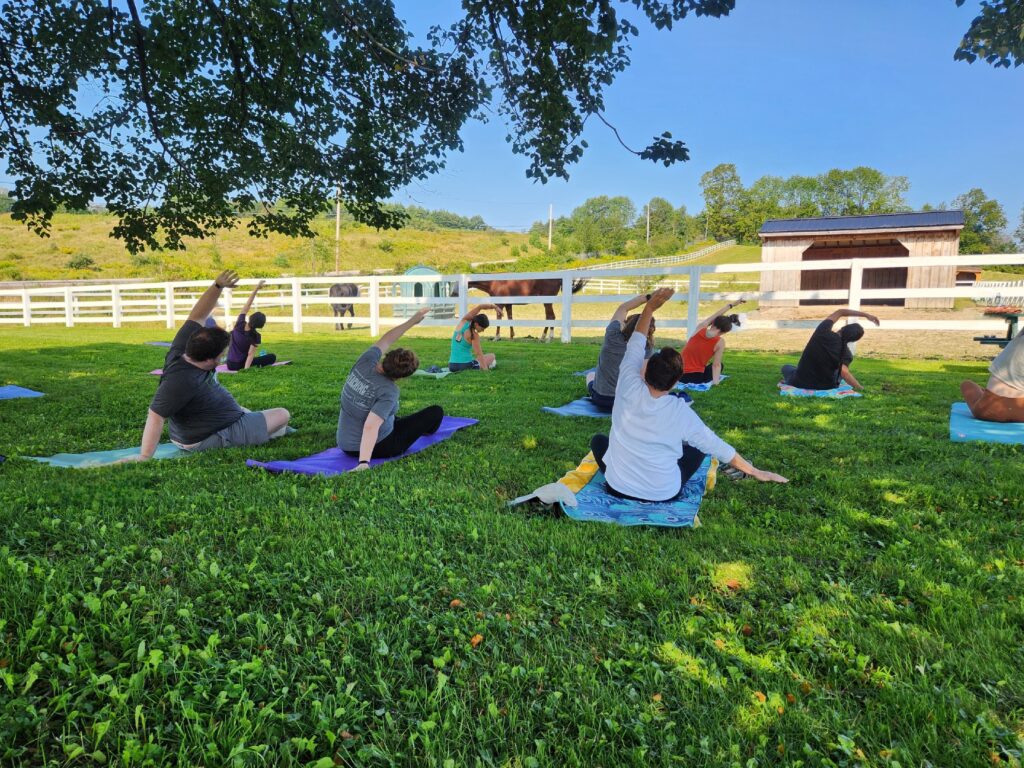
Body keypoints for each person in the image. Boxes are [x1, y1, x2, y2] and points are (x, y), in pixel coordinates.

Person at [590, 287, 787, 501]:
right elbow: (719, 447)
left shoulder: (627, 382)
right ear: (675, 382)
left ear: (644, 370)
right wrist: (756, 472)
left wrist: (649, 308)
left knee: (599, 441)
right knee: (698, 449)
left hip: (616, 486)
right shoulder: (681, 412)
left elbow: (636, 341)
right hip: (661, 493)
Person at [121, 271, 291, 461]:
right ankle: (262, 431)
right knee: (282, 415)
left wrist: (217, 286)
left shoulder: (183, 346)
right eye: (223, 355)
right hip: (207, 438)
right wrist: (145, 456)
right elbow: (155, 415)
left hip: (215, 422)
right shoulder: (182, 380)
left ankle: (259, 426)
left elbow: (199, 314)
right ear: (213, 360)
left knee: (254, 414)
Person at [338, 307, 443, 470]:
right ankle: (428, 430)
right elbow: (370, 426)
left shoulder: (366, 361)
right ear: (402, 376)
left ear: (387, 357)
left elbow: (387, 339)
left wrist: (412, 321)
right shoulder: (389, 391)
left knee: (393, 416)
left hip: (344, 442)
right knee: (436, 412)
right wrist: (364, 462)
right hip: (381, 446)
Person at [586, 293, 658, 411]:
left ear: (626, 324)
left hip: (602, 399)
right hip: (627, 401)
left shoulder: (612, 335)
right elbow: (643, 377)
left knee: (590, 375)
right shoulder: (646, 347)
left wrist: (646, 298)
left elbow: (623, 308)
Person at [781, 308, 880, 391]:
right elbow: (844, 372)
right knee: (837, 371)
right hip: (825, 386)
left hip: (799, 382)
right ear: (853, 340)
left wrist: (866, 315)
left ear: (842, 328)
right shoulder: (846, 353)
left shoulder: (822, 331)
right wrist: (859, 387)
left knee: (786, 367)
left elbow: (840, 312)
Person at [960, 332, 1024, 422]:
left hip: (989, 409)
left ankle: (985, 393)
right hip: (1021, 410)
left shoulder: (1016, 342)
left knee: (966, 384)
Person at [680, 300, 747, 385]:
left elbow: (714, 316)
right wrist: (716, 383)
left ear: (712, 323)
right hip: (696, 378)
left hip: (677, 374)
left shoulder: (700, 328)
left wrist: (731, 305)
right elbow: (716, 365)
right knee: (720, 365)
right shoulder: (720, 342)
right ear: (724, 332)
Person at [226, 280, 277, 370]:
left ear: (251, 317)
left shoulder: (240, 323)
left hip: (230, 364)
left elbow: (248, 304)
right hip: (240, 365)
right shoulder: (256, 336)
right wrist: (246, 370)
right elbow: (250, 355)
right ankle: (258, 364)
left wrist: (256, 288)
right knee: (272, 357)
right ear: (260, 325)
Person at [449, 303, 501, 372]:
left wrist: (494, 307)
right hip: (464, 366)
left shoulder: (463, 322)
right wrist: (486, 370)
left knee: (482, 358)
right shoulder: (474, 335)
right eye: (482, 328)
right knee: (492, 356)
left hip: (452, 365)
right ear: (476, 324)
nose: (483, 331)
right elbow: (479, 354)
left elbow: (480, 307)